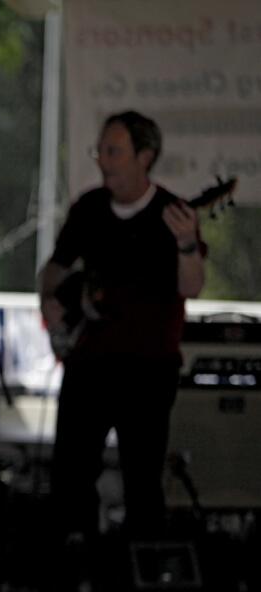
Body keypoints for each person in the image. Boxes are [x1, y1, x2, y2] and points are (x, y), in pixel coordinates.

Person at [38, 111, 205, 540]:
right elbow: (54, 270)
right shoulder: (89, 208)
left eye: (114, 151)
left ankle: (136, 587)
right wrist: (52, 301)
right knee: (71, 476)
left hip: (148, 368)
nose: (103, 160)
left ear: (144, 157)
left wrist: (187, 245)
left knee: (142, 481)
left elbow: (192, 287)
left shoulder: (172, 214)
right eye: (101, 151)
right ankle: (74, 579)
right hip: (89, 361)